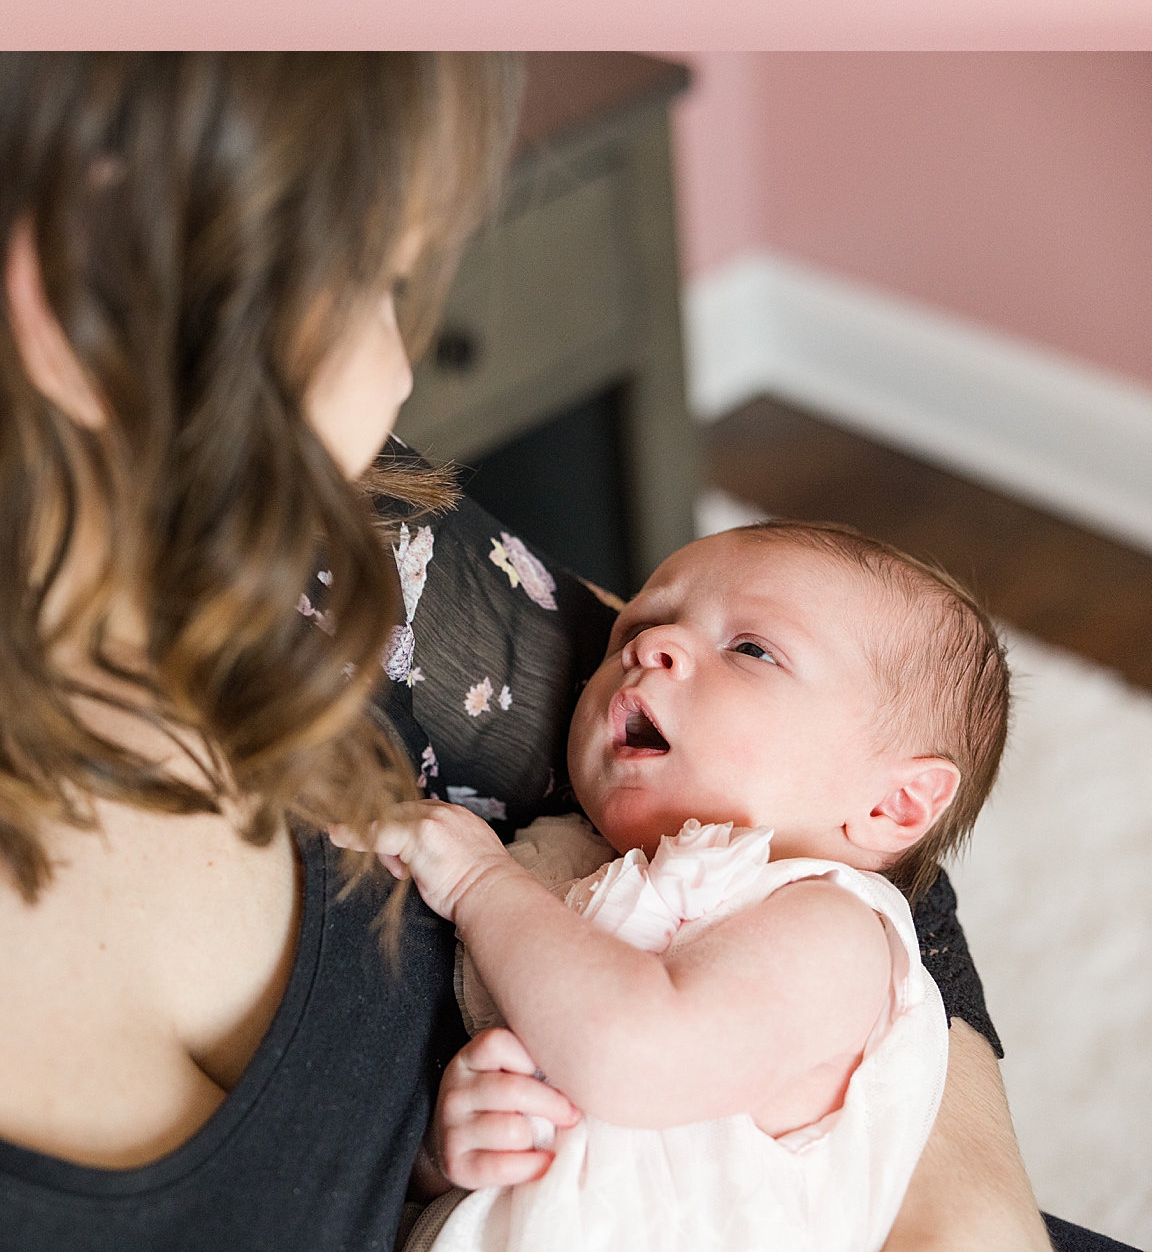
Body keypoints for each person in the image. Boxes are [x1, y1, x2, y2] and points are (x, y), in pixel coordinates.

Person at [0, 57, 1052, 1252]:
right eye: (371, 276)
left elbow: (833, 790)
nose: (393, 375)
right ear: (72, 295)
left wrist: (962, 1203)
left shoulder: (304, 553)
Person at [362, 521, 1010, 1251]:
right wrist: (448, 1156)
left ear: (895, 805)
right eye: (641, 624)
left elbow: (634, 1055)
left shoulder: (833, 932)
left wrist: (480, 883)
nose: (648, 645)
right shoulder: (556, 865)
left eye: (752, 649)